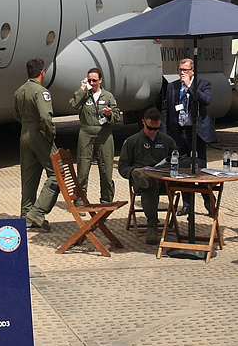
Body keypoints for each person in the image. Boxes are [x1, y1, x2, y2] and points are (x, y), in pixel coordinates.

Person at [118, 107, 178, 244]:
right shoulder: (132, 141)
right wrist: (134, 172)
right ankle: (152, 226)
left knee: (187, 165)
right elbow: (122, 167)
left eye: (156, 129)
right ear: (143, 122)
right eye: (150, 128)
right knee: (148, 183)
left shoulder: (167, 141)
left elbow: (176, 160)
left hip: (164, 179)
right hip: (143, 182)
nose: (153, 132)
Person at [13, 58, 58, 230]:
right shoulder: (41, 91)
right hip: (39, 134)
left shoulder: (20, 91)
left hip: (24, 133)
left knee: (29, 176)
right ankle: (37, 212)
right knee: (57, 174)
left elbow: (17, 114)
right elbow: (46, 116)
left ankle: (26, 215)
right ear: (42, 72)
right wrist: (49, 133)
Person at [71, 67, 123, 202]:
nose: (92, 83)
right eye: (89, 80)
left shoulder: (108, 96)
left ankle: (106, 200)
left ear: (100, 80)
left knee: (106, 169)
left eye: (94, 80)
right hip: (86, 133)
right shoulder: (84, 95)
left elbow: (117, 116)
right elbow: (73, 104)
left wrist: (109, 114)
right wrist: (82, 88)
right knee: (82, 170)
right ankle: (80, 201)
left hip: (104, 134)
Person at [161, 58, 214, 168]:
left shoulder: (203, 84)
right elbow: (166, 111)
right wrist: (164, 133)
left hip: (195, 131)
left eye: (185, 70)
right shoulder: (172, 86)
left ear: (192, 71)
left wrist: (190, 86)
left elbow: (206, 100)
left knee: (199, 165)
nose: (182, 73)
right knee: (179, 163)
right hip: (178, 131)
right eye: (180, 70)